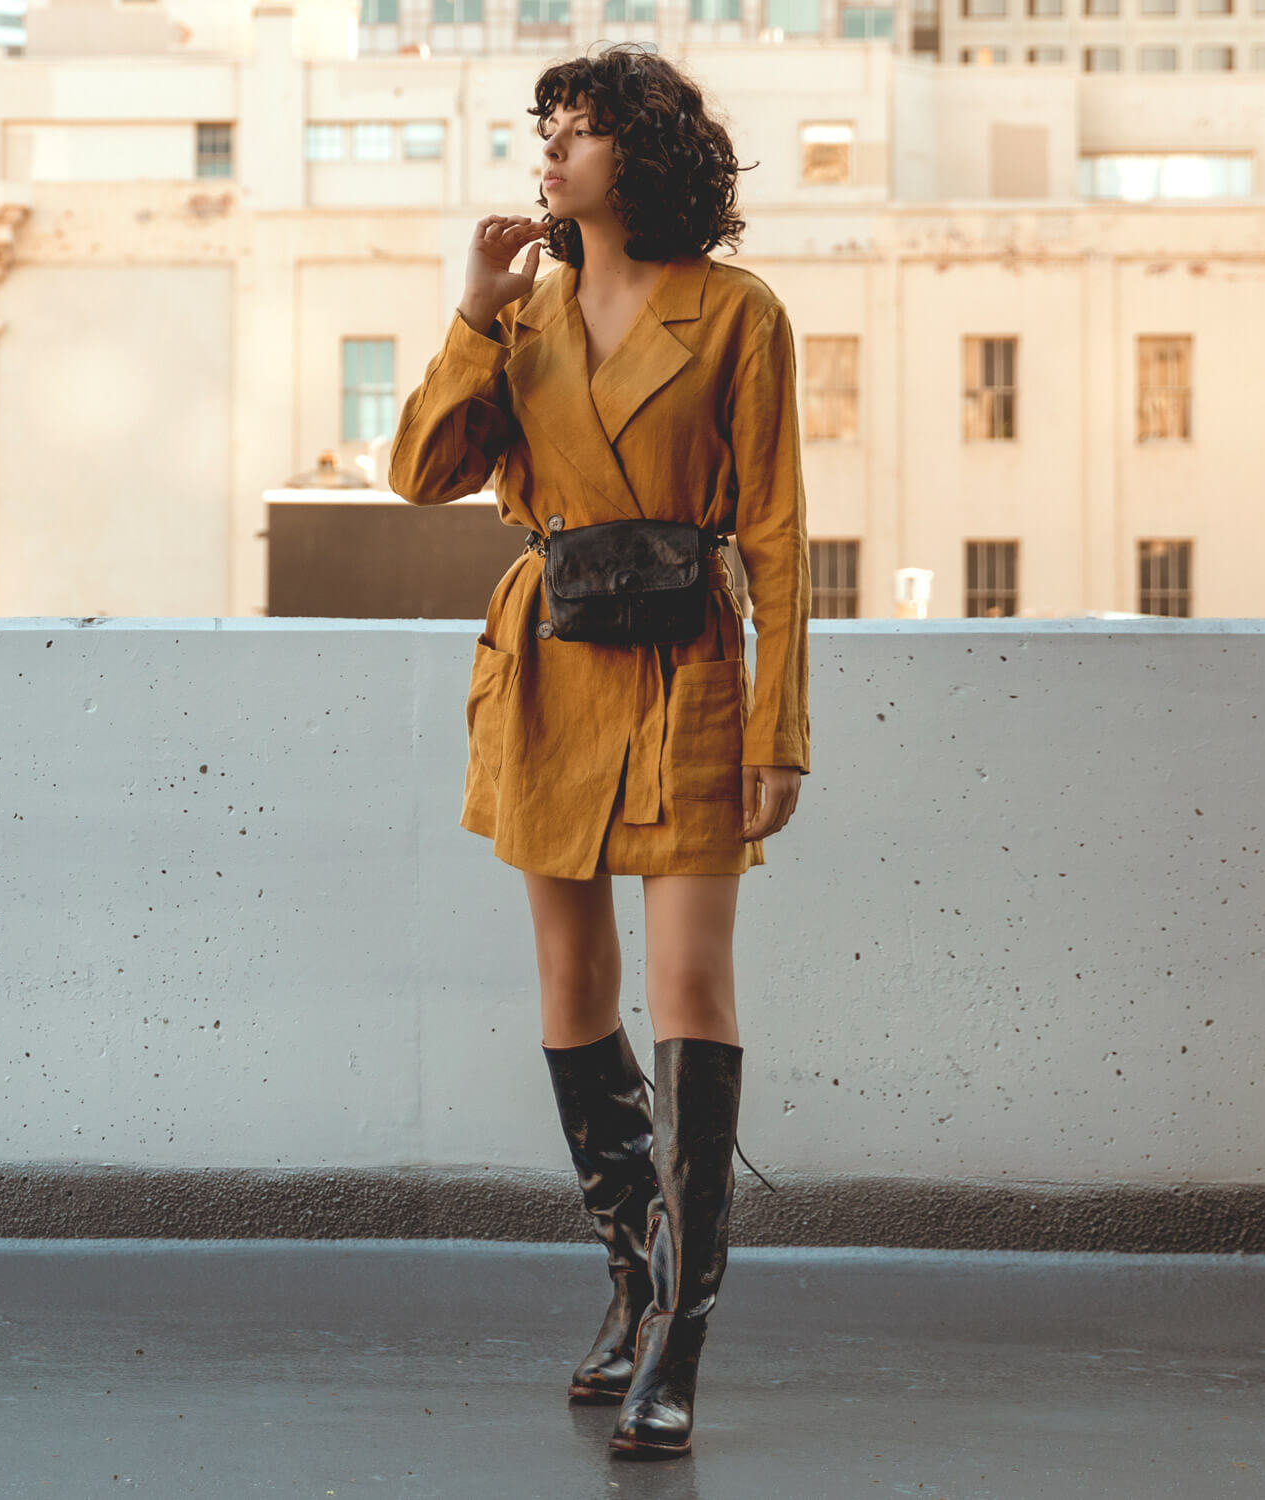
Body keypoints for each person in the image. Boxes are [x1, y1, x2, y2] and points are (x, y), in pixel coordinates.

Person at [389, 43, 811, 1461]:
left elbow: (779, 541)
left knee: (692, 979)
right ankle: (630, 1278)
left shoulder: (740, 314)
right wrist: (472, 310)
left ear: (647, 153)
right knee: (573, 977)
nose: (550, 153)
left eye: (578, 130)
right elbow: (420, 475)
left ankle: (680, 1342)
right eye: (546, 130)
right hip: (551, 667)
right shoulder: (528, 316)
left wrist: (781, 732)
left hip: (691, 664)